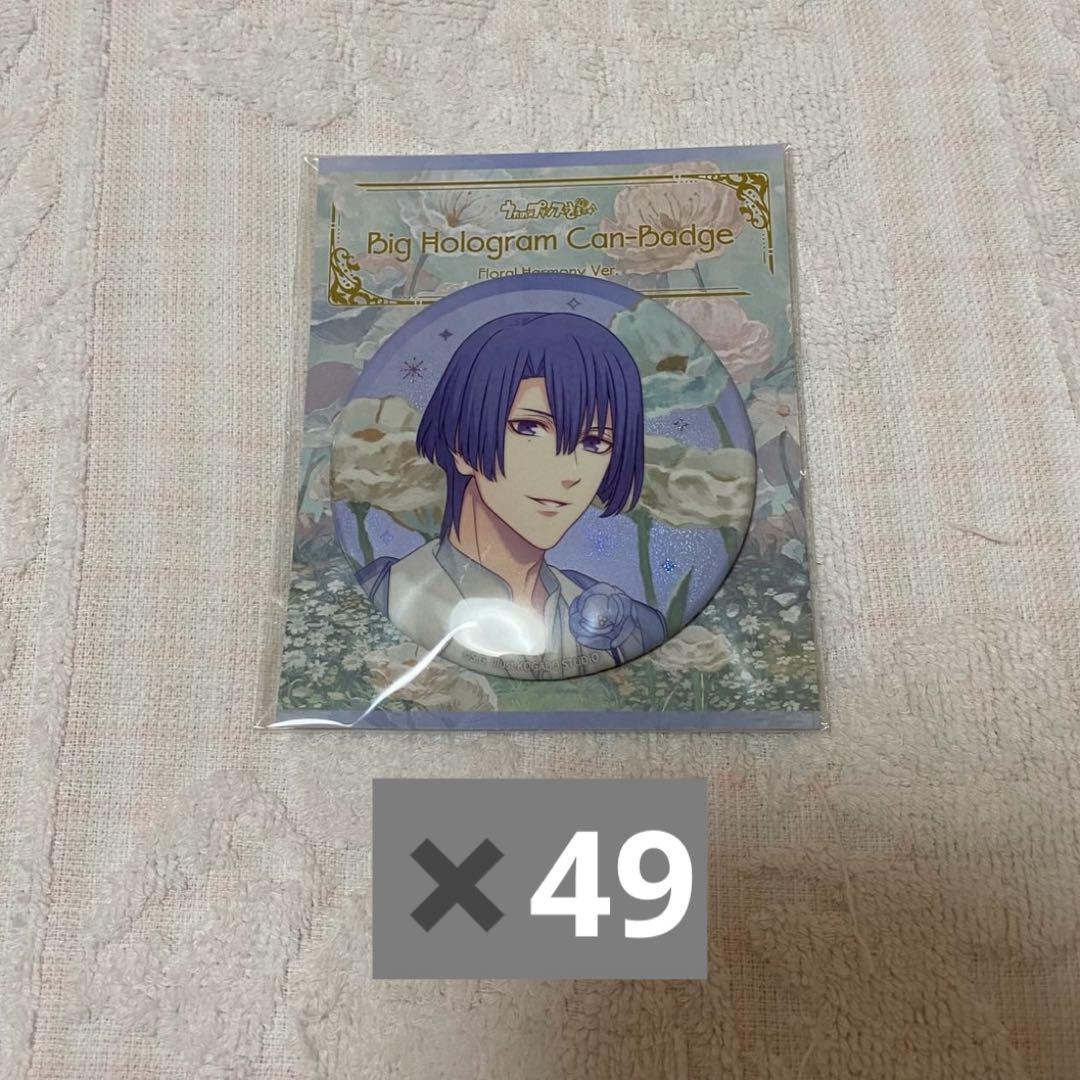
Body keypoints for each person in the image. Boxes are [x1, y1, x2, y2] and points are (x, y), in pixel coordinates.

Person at [357, 310, 665, 679]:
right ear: (460, 442)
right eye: (529, 427)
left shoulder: (633, 628)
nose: (568, 472)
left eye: (595, 442)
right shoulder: (380, 593)